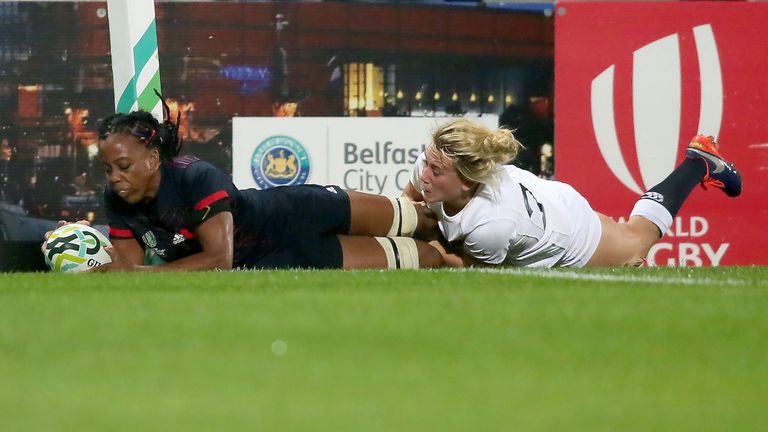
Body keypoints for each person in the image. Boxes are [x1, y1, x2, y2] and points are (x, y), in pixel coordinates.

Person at [47, 98, 442, 272]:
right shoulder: (117, 199)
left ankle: (485, 235)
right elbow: (129, 271)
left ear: (152, 160)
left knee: (420, 221)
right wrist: (87, 252)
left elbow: (218, 259)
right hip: (282, 260)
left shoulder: (194, 176)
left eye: (122, 165)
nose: (114, 177)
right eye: (107, 169)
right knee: (426, 258)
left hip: (295, 211)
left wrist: (138, 275)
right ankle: (462, 258)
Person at [402, 118, 742, 267]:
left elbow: (466, 264)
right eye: (427, 163)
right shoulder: (435, 160)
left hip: (569, 231)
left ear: (465, 181)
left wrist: (420, 250)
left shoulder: (492, 225)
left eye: (436, 170)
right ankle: (699, 161)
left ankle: (700, 162)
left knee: (636, 243)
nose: (425, 174)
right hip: (543, 198)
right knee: (630, 245)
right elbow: (411, 192)